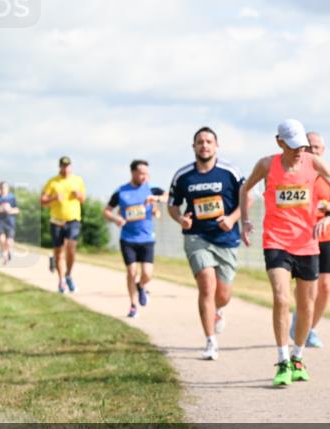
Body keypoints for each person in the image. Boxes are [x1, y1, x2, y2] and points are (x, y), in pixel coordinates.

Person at [240, 119, 330, 387]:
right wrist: (244, 220)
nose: (300, 151)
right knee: (281, 297)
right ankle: (282, 359)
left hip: (308, 244)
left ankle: (298, 357)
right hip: (276, 241)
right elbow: (245, 188)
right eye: (293, 146)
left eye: (302, 145)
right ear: (280, 143)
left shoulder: (314, 163)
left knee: (306, 306)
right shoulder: (267, 164)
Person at [168, 127, 244, 361]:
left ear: (216, 146)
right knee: (207, 286)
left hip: (226, 238)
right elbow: (172, 204)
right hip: (196, 237)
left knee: (223, 294)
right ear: (194, 147)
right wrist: (180, 218)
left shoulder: (229, 172)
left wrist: (231, 219)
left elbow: (246, 198)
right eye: (200, 142)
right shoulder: (183, 176)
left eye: (209, 141)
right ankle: (210, 341)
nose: (204, 145)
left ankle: (218, 310)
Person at [290, 132, 330, 348]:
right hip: (301, 238)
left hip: (326, 236)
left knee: (325, 287)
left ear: (323, 151)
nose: (313, 151)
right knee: (306, 287)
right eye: (309, 147)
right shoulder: (294, 174)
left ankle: (310, 329)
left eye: (317, 147)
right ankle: (300, 318)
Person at [104, 160, 165, 318]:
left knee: (147, 274)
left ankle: (141, 285)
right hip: (128, 239)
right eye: (141, 173)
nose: (145, 176)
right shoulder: (122, 192)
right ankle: (133, 305)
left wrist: (156, 199)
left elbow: (169, 196)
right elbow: (107, 211)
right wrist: (116, 219)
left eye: (147, 173)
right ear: (133, 173)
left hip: (147, 238)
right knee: (131, 271)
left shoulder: (151, 189)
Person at [41, 156, 86, 293]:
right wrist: (54, 197)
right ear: (59, 167)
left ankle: (68, 275)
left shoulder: (78, 180)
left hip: (73, 220)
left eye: (67, 166)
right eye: (63, 166)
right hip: (56, 220)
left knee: (71, 249)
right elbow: (42, 201)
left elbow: (83, 199)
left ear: (71, 167)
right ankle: (61, 281)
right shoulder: (52, 182)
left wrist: (78, 195)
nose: (65, 168)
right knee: (59, 252)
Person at [0, 181, 19, 265]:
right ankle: (5, 258)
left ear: (8, 188)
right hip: (0, 222)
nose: (3, 189)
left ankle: (7, 251)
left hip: (10, 222)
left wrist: (9, 210)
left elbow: (17, 210)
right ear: (0, 188)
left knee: (9, 242)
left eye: (5, 187)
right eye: (2, 188)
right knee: (1, 239)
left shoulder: (12, 198)